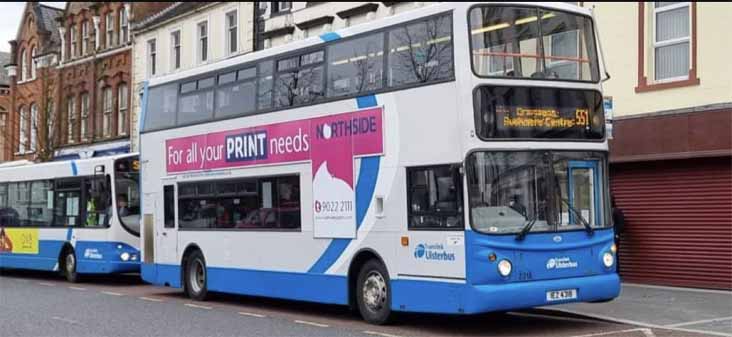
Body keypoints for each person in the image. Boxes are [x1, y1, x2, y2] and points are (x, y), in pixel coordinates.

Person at [611, 195, 625, 271]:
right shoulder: (606, 212)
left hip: (614, 237)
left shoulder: (616, 211)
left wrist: (616, 234)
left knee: (614, 252)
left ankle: (616, 270)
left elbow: (622, 225)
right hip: (609, 237)